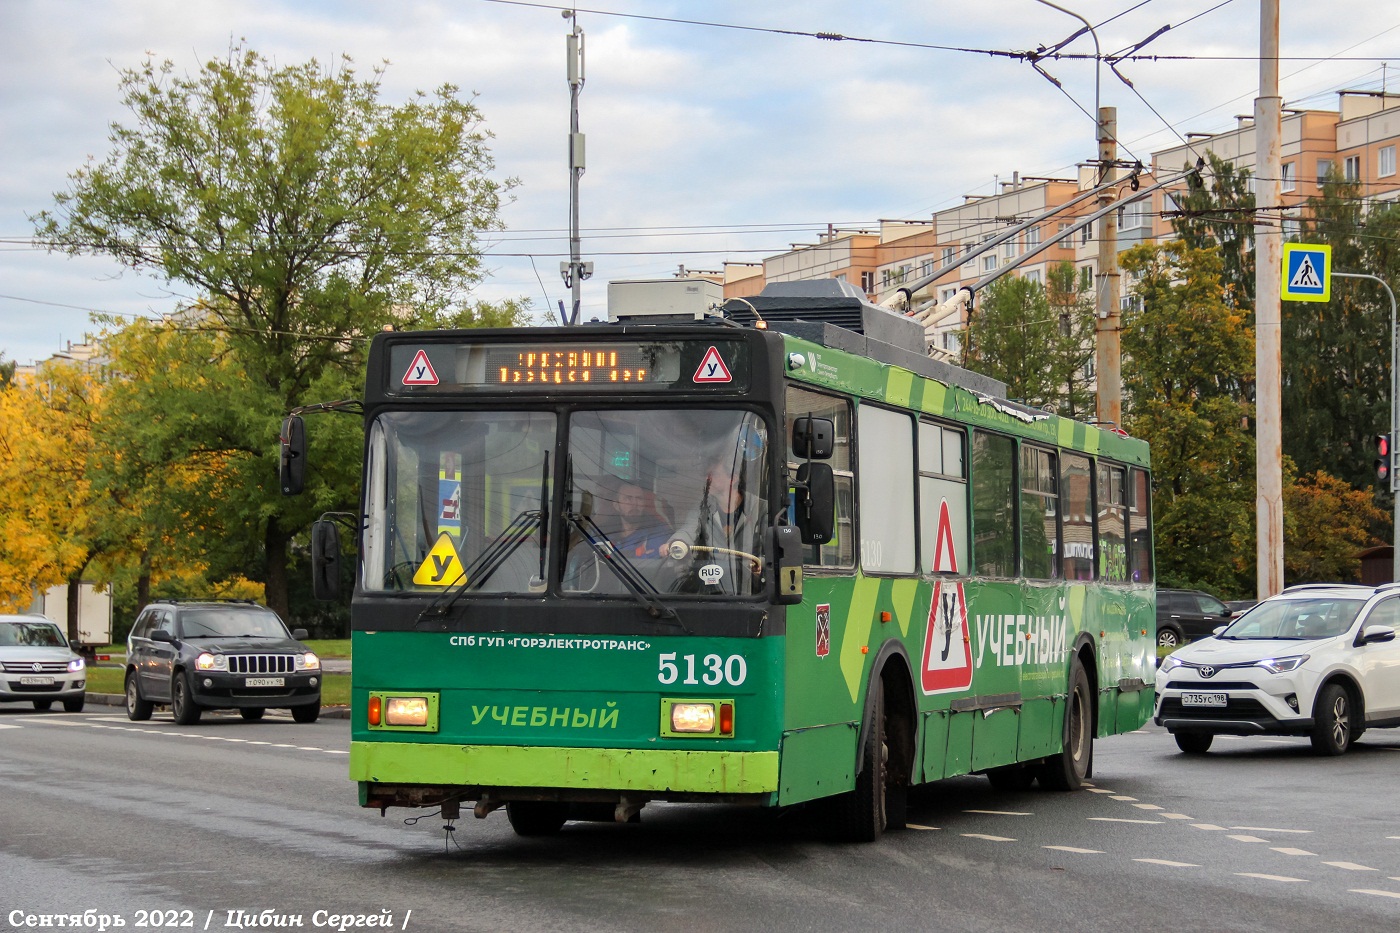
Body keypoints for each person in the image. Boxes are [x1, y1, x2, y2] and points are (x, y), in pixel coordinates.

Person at [613, 481, 672, 559]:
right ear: (616, 505)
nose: (634, 503)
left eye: (639, 498)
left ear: (644, 504)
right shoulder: (605, 533)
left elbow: (655, 559)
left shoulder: (658, 532)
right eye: (628, 498)